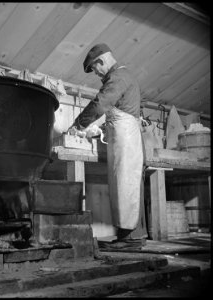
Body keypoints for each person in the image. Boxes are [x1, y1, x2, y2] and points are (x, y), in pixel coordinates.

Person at [68, 43, 148, 249]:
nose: (96, 73)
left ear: (101, 61)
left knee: (126, 186)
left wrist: (78, 124)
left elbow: (100, 103)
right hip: (124, 140)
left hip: (127, 141)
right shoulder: (122, 77)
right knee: (123, 186)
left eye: (95, 69)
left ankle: (132, 239)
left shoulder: (118, 77)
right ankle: (128, 237)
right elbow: (112, 112)